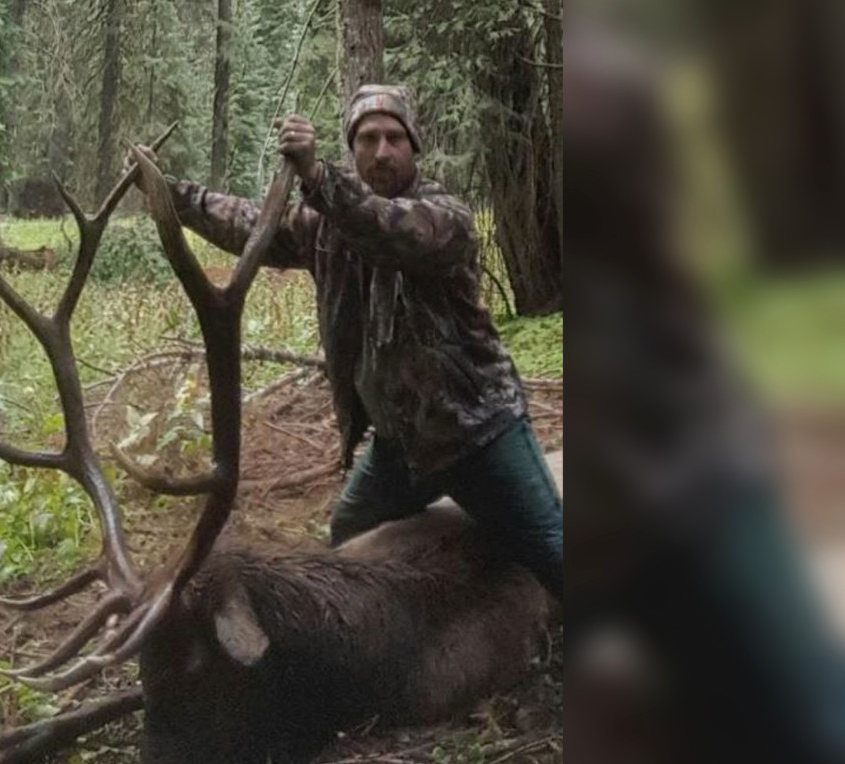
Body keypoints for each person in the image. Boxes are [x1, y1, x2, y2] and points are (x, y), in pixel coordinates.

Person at [130, 84, 562, 599]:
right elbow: (249, 223)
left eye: (394, 138)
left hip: (479, 434)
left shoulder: (444, 218)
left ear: (413, 146)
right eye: (367, 138)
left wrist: (316, 177)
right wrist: (170, 192)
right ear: (352, 149)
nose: (381, 151)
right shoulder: (323, 226)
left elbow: (384, 227)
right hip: (400, 448)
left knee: (554, 553)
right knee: (350, 538)